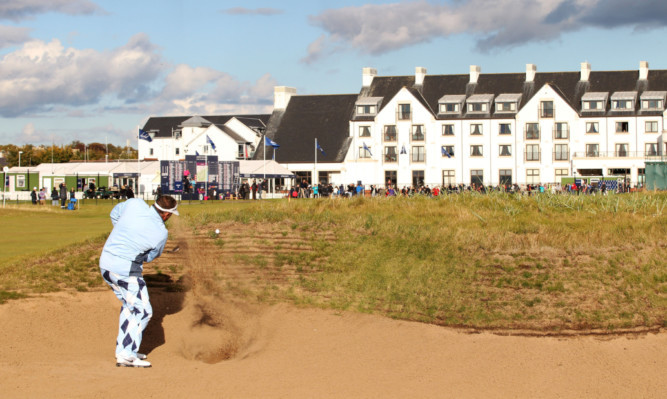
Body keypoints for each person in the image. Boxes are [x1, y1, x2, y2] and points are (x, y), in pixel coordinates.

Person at [99, 195, 179, 368]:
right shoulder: (161, 232)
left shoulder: (134, 203)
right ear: (166, 215)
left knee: (130, 307)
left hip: (105, 264)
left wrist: (124, 233)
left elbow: (114, 214)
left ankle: (124, 349)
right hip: (125, 270)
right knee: (143, 311)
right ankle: (126, 355)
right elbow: (150, 256)